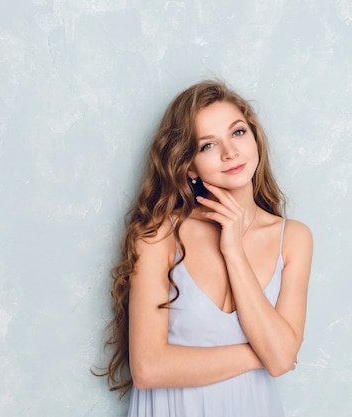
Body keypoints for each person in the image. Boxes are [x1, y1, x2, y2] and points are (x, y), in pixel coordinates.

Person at [97, 79, 313, 417]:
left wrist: (233, 252)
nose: (230, 153)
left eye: (238, 132)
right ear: (188, 165)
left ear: (255, 137)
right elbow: (148, 368)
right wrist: (264, 353)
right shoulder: (158, 236)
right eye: (208, 145)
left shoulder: (294, 239)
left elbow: (283, 358)